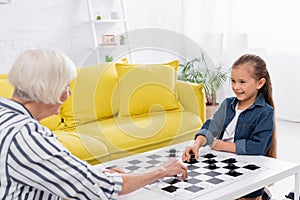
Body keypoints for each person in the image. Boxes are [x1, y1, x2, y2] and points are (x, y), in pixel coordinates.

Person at [0, 48, 188, 200]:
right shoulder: (26, 136)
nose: (69, 94)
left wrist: (93, 172)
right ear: (49, 89)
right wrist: (161, 170)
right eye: (66, 86)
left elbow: (51, 169)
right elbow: (98, 188)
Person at [182, 53, 276, 200]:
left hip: (247, 171)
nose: (236, 87)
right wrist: (196, 144)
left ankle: (262, 195)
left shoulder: (265, 112)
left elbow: (257, 147)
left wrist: (223, 145)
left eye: (242, 82)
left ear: (260, 83)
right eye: (233, 81)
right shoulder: (227, 104)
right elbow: (211, 127)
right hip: (221, 166)